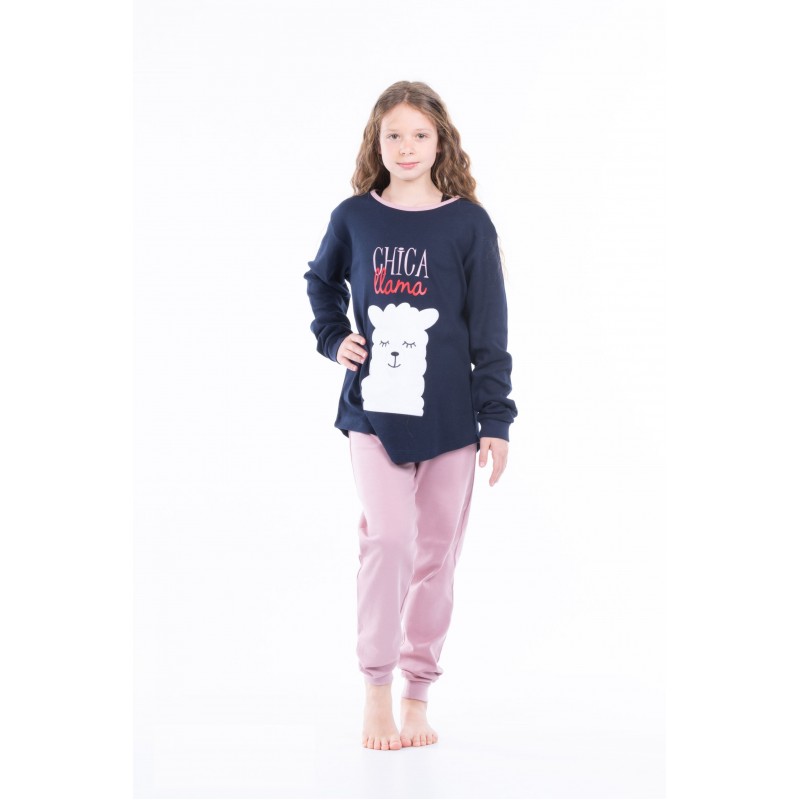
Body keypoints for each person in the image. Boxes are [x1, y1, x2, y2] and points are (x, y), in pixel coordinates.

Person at [304, 80, 518, 751]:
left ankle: (417, 693)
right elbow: (320, 281)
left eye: (419, 135)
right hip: (373, 417)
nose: (406, 147)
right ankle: (376, 689)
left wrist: (496, 419)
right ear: (376, 142)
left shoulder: (469, 224)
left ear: (440, 142)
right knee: (389, 540)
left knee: (436, 557)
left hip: (452, 421)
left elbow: (489, 327)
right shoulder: (354, 218)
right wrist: (334, 337)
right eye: (393, 135)